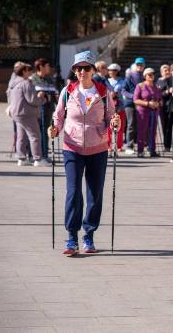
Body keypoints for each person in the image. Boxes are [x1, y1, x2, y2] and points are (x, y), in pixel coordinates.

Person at [48, 50, 120, 255]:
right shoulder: (67, 91)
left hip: (98, 148)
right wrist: (54, 128)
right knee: (73, 193)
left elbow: (111, 117)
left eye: (86, 68)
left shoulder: (103, 92)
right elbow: (59, 116)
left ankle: (88, 235)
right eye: (78, 69)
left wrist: (115, 123)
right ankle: (71, 237)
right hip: (72, 147)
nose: (81, 72)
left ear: (93, 70)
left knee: (94, 194)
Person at [7, 62, 50, 167]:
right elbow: (32, 100)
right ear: (24, 71)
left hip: (17, 113)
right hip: (26, 113)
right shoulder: (26, 83)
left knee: (21, 136)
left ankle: (21, 158)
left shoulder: (14, 82)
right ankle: (38, 159)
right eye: (29, 71)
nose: (31, 73)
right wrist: (43, 98)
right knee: (35, 136)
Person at [30, 58, 58, 161]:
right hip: (37, 109)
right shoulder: (32, 79)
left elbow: (54, 91)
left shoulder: (49, 79)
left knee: (46, 130)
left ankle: (45, 153)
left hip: (49, 108)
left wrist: (56, 96)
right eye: (47, 66)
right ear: (41, 67)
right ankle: (34, 154)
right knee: (36, 131)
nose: (49, 68)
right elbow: (30, 94)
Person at [133, 67, 162, 158]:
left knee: (153, 131)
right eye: (149, 74)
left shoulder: (156, 86)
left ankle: (152, 150)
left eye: (153, 74)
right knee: (142, 130)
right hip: (143, 112)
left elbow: (160, 100)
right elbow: (135, 100)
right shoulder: (140, 86)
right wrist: (148, 103)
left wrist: (158, 103)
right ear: (145, 76)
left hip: (154, 112)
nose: (151, 76)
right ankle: (140, 151)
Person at [122, 58, 145, 154]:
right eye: (138, 65)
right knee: (131, 124)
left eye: (141, 65)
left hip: (142, 104)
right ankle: (129, 146)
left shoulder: (145, 77)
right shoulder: (129, 77)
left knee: (141, 125)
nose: (139, 66)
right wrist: (134, 97)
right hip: (130, 104)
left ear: (144, 66)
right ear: (135, 65)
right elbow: (123, 91)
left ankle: (141, 146)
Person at [107, 63, 125, 154]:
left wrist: (115, 93)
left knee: (120, 126)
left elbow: (123, 91)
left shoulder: (122, 81)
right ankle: (108, 145)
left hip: (119, 106)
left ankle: (119, 145)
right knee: (108, 127)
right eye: (109, 70)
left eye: (113, 70)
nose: (111, 72)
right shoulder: (106, 81)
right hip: (108, 106)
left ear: (117, 71)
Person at [156, 64, 173, 152]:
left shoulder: (172, 79)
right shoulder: (159, 81)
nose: (167, 72)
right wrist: (167, 91)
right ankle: (167, 145)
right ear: (161, 72)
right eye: (165, 71)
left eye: (168, 70)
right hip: (164, 107)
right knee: (166, 127)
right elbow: (158, 94)